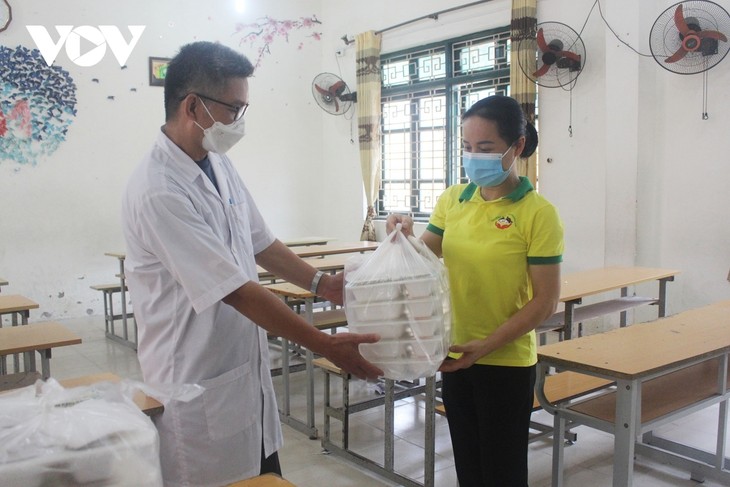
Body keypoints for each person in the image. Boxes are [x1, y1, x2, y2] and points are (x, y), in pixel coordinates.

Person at [121, 41, 382, 487]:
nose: (240, 122)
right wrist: (324, 343)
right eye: (235, 109)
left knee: (263, 473)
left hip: (242, 375)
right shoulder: (158, 189)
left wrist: (323, 284)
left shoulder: (216, 162)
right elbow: (236, 290)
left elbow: (260, 242)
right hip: (196, 376)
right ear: (193, 106)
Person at [387, 95, 563, 486]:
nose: (473, 158)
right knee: (467, 462)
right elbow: (423, 256)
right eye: (467, 148)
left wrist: (486, 345)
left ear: (516, 146)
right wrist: (403, 234)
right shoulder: (454, 199)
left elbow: (546, 300)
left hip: (505, 360)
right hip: (454, 353)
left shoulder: (538, 213)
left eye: (485, 148)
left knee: (502, 470)